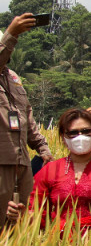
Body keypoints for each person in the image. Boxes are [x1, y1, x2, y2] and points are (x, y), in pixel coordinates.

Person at [6, 108, 91, 231]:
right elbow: (37, 214)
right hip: (59, 244)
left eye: (86, 131)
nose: (80, 136)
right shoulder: (50, 171)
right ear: (63, 137)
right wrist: (22, 215)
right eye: (73, 133)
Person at [1, 13, 53, 230]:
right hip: (1, 162)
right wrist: (11, 34)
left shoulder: (13, 77)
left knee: (23, 220)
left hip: (21, 162)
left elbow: (26, 115)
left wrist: (42, 146)